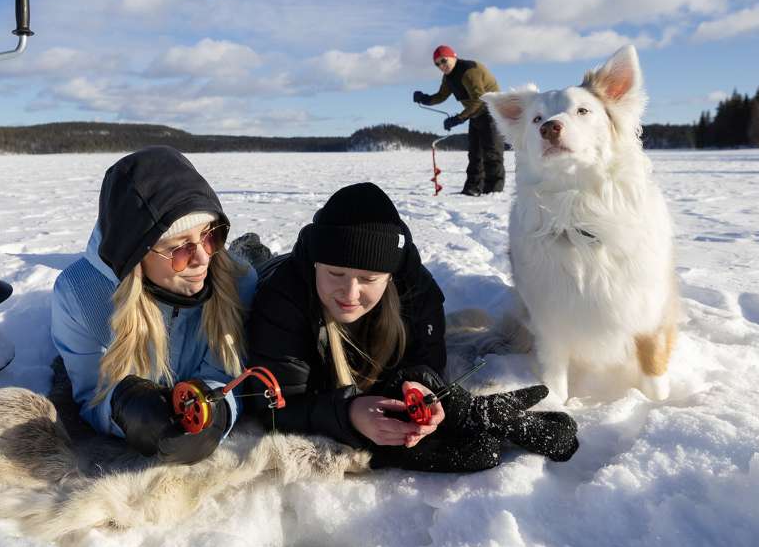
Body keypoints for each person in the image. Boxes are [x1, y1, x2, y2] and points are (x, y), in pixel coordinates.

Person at [244, 182, 578, 472]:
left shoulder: (417, 292)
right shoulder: (281, 299)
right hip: (271, 272)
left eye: (368, 279)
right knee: (251, 267)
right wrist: (347, 413)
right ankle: (252, 248)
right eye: (335, 274)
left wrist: (419, 390)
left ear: (390, 277)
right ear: (317, 263)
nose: (349, 293)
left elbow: (425, 362)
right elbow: (273, 406)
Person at [51, 146, 256, 464]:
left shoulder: (237, 281)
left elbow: (227, 370)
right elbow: (92, 391)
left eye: (210, 235)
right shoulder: (78, 296)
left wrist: (216, 414)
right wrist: (125, 410)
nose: (203, 258)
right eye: (180, 248)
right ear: (135, 254)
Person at [414, 45, 505, 196]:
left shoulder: (469, 71)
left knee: (492, 154)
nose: (441, 66)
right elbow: (441, 96)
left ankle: (493, 193)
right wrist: (425, 99)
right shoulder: (449, 77)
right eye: (437, 64)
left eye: (443, 61)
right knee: (475, 155)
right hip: (475, 114)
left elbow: (480, 99)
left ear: (453, 56)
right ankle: (472, 188)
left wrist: (459, 118)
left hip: (492, 113)